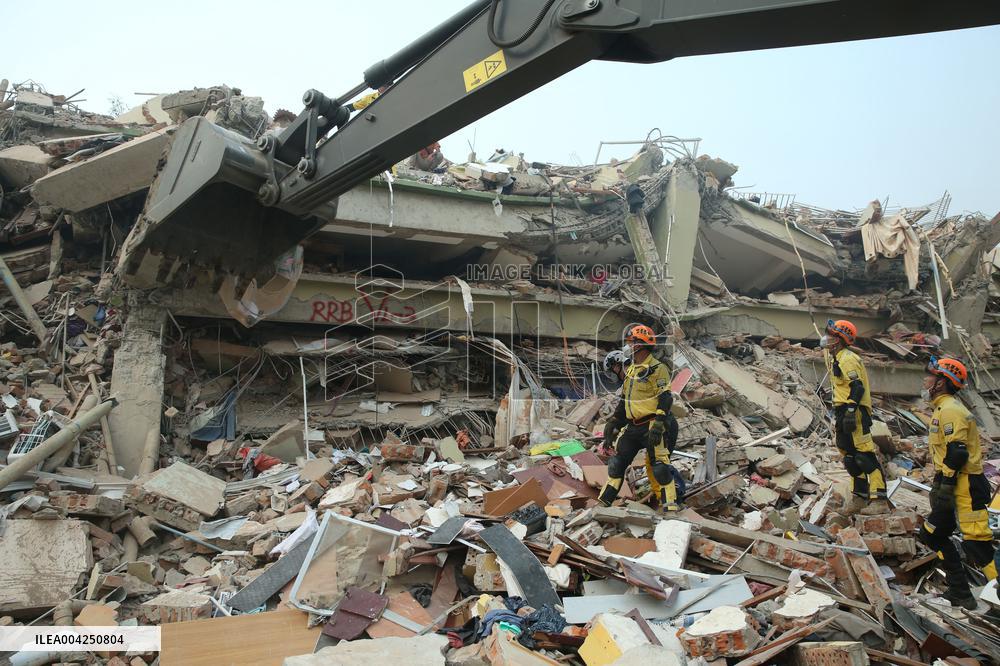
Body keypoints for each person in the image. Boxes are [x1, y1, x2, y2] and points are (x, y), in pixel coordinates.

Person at [917, 356, 996, 610]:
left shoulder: (951, 409)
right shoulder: (943, 408)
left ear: (941, 383)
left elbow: (958, 452)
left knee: (977, 543)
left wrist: (946, 483)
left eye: (930, 376)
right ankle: (960, 592)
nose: (925, 380)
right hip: (952, 482)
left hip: (966, 485)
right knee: (934, 534)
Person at [599, 325, 679, 511]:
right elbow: (624, 402)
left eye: (632, 342)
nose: (629, 346)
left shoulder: (658, 369)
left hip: (652, 424)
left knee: (659, 467)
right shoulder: (632, 372)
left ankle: (670, 508)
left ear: (641, 345)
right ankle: (603, 504)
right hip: (633, 427)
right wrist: (613, 423)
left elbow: (665, 398)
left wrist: (659, 424)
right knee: (616, 464)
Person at [822, 319, 888, 514]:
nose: (827, 338)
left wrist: (851, 410)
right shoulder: (837, 356)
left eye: (831, 335)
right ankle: (859, 497)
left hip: (855, 411)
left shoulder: (848, 358)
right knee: (849, 456)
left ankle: (879, 499)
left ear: (839, 339)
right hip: (842, 410)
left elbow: (857, 387)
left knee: (864, 456)